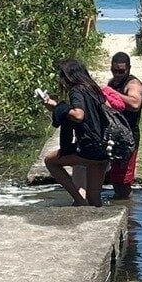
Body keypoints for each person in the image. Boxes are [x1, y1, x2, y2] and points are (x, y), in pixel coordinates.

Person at [41, 59, 110, 207]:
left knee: (50, 161)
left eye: (62, 77)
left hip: (90, 149)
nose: (61, 81)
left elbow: (79, 115)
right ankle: (92, 217)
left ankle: (79, 200)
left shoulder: (76, 90)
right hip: (105, 147)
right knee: (94, 199)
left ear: (68, 77)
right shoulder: (94, 89)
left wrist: (56, 106)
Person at [106, 52, 142, 199]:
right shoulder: (112, 83)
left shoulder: (133, 84)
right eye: (115, 71)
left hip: (128, 139)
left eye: (121, 71)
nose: (118, 74)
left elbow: (135, 103)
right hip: (114, 136)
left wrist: (112, 93)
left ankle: (128, 214)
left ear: (128, 68)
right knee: (114, 178)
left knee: (123, 182)